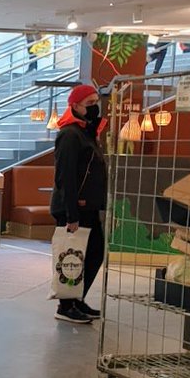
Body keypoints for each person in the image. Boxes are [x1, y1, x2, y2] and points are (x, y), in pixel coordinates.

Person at [51, 84, 108, 324]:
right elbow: (66, 176)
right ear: (74, 106)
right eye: (89, 103)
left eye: (97, 101)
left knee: (93, 253)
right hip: (74, 208)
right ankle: (66, 305)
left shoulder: (86, 132)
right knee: (73, 256)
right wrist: (72, 213)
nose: (95, 107)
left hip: (90, 207)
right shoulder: (70, 135)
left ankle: (77, 299)